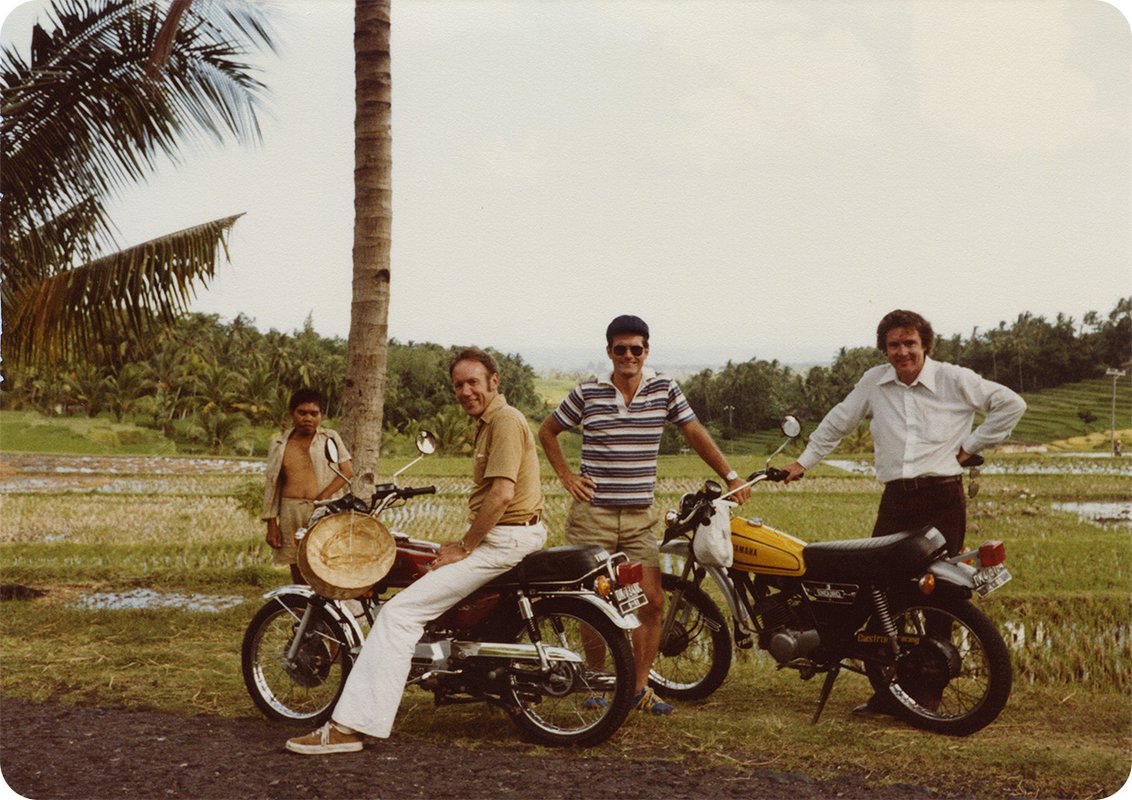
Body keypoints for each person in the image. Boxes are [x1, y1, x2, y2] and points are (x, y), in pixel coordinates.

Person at [285, 347, 547, 754]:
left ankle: (351, 727)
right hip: (511, 536)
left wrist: (465, 546)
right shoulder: (488, 422)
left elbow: (500, 495)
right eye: (458, 384)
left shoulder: (505, 422)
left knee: (398, 614)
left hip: (504, 540)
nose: (465, 391)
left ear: (495, 382)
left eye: (473, 382)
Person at [780, 309, 1026, 713]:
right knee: (880, 593)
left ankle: (928, 691)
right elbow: (839, 421)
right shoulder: (874, 382)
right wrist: (803, 463)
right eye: (893, 344)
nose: (902, 351)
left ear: (924, 344)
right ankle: (888, 691)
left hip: (943, 497)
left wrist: (972, 446)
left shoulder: (953, 378)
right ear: (885, 349)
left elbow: (1010, 404)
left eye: (909, 342)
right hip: (896, 500)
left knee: (939, 596)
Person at [538, 314, 751, 716]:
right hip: (593, 515)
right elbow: (547, 430)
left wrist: (731, 475)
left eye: (637, 349)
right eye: (621, 349)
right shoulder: (587, 392)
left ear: (646, 351)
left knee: (651, 603)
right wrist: (567, 476)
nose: (629, 355)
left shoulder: (664, 388)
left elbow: (693, 431)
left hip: (639, 517)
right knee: (594, 603)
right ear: (609, 352)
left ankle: (638, 688)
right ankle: (597, 684)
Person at [262, 388, 354, 584]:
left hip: (323, 510)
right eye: (302, 412)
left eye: (314, 413)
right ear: (291, 412)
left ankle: (327, 611)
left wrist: (323, 496)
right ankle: (303, 610)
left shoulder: (329, 438)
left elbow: (347, 471)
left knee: (327, 561)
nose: (308, 418)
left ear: (322, 415)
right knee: (296, 564)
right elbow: (272, 484)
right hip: (290, 511)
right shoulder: (280, 444)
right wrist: (271, 524)